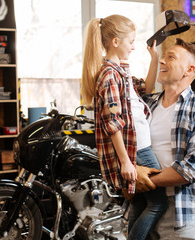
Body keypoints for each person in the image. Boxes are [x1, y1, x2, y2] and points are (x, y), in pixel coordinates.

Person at [81, 15, 167, 240]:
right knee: (158, 203)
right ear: (115, 42)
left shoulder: (122, 70)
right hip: (137, 150)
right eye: (131, 42)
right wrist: (126, 162)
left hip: (137, 147)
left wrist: (154, 58)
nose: (134, 46)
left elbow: (146, 88)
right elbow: (113, 123)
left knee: (139, 204)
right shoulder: (109, 75)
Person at [137, 38, 195, 240]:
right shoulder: (147, 104)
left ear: (189, 70)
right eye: (163, 57)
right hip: (141, 203)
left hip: (181, 211)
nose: (163, 61)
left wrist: (142, 180)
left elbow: (192, 169)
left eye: (170, 57)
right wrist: (154, 59)